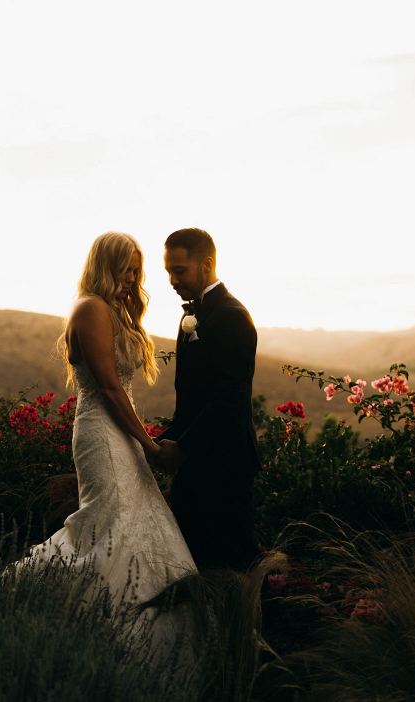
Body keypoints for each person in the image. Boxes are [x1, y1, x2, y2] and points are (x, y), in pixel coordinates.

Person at [12, 231, 196, 613]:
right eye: (124, 270)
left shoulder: (111, 310)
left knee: (133, 520)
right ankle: (51, 602)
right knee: (107, 525)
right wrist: (151, 446)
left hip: (120, 434)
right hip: (102, 432)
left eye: (135, 271)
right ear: (103, 267)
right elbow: (111, 390)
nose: (132, 279)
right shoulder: (92, 309)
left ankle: (124, 609)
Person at [157, 228, 261, 572]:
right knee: (194, 566)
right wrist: (166, 439)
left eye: (180, 271)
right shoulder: (192, 315)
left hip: (224, 467)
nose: (172, 279)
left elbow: (228, 399)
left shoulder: (231, 315)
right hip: (195, 465)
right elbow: (192, 396)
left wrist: (181, 447)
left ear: (207, 264)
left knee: (231, 569)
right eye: (168, 271)